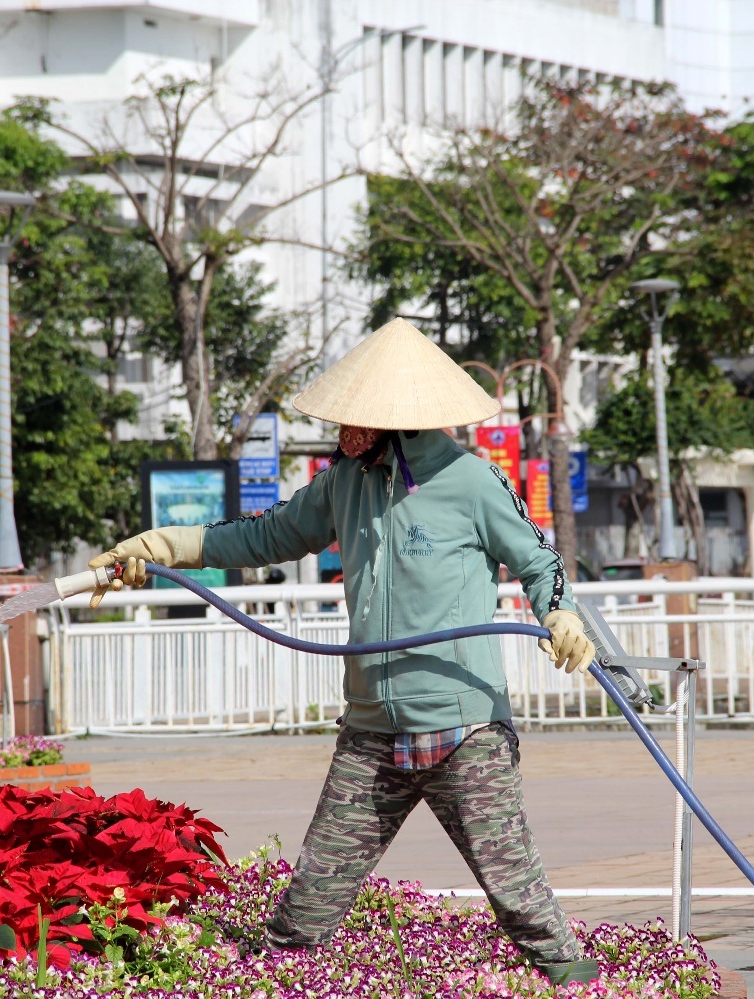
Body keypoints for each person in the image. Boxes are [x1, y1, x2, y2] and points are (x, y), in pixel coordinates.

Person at [85, 317, 600, 986]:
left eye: (358, 420)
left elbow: (538, 560)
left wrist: (558, 613)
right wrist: (161, 548)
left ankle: (589, 984)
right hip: (371, 734)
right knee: (304, 911)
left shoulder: (472, 481)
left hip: (464, 728)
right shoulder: (344, 482)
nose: (343, 431)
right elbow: (265, 536)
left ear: (402, 421)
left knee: (521, 898)